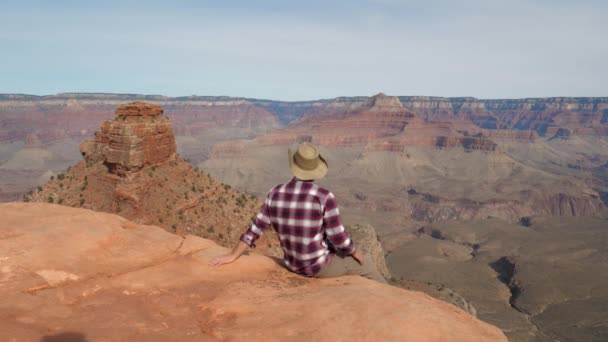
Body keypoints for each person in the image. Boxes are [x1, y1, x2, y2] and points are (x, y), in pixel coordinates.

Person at [209, 142, 386, 283]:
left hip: (292, 265)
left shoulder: (275, 192)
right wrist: (354, 252)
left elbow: (254, 229)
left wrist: (232, 255)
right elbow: (338, 237)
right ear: (316, 170)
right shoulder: (324, 196)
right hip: (318, 267)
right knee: (367, 263)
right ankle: (391, 303)